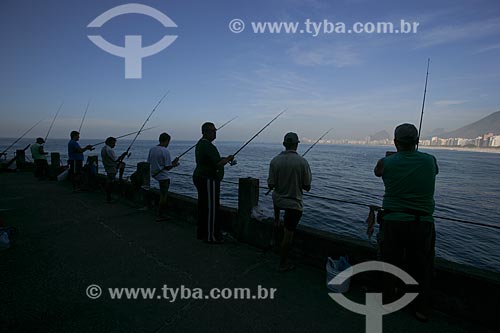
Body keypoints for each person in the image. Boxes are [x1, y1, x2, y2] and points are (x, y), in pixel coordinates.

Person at [374, 123, 439, 322]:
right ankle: (421, 308)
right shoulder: (430, 161)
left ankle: (387, 299)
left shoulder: (386, 162)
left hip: (393, 221)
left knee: (389, 262)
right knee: (422, 267)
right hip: (422, 223)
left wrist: (391, 157)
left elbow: (377, 172)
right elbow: (435, 171)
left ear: (395, 142)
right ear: (417, 141)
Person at [267, 132, 312, 272]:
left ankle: (276, 221)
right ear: (297, 144)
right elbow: (307, 187)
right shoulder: (303, 162)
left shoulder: (274, 161)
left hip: (278, 202)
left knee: (276, 197)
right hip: (293, 204)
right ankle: (283, 264)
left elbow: (270, 185)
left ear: (284, 144)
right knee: (288, 236)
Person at [193, 122, 234, 243]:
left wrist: (224, 159)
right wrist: (228, 159)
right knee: (211, 209)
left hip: (201, 177)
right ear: (204, 132)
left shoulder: (201, 144)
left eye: (215, 130)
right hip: (208, 179)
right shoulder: (208, 146)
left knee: (203, 207)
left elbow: (211, 161)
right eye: (212, 130)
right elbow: (217, 164)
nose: (215, 132)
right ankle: (211, 237)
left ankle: (202, 233)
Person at [148, 133, 179, 221]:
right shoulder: (165, 151)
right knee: (163, 196)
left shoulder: (152, 149)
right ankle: (161, 215)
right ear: (167, 141)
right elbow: (168, 167)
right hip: (163, 177)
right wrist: (175, 164)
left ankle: (158, 212)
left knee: (161, 194)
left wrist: (171, 164)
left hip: (154, 174)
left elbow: (149, 162)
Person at [101, 137, 126, 203]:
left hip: (108, 166)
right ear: (110, 142)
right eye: (114, 143)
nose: (115, 145)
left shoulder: (104, 148)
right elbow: (116, 159)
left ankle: (108, 197)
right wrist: (123, 155)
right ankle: (109, 199)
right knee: (111, 183)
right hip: (111, 168)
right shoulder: (109, 150)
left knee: (122, 164)